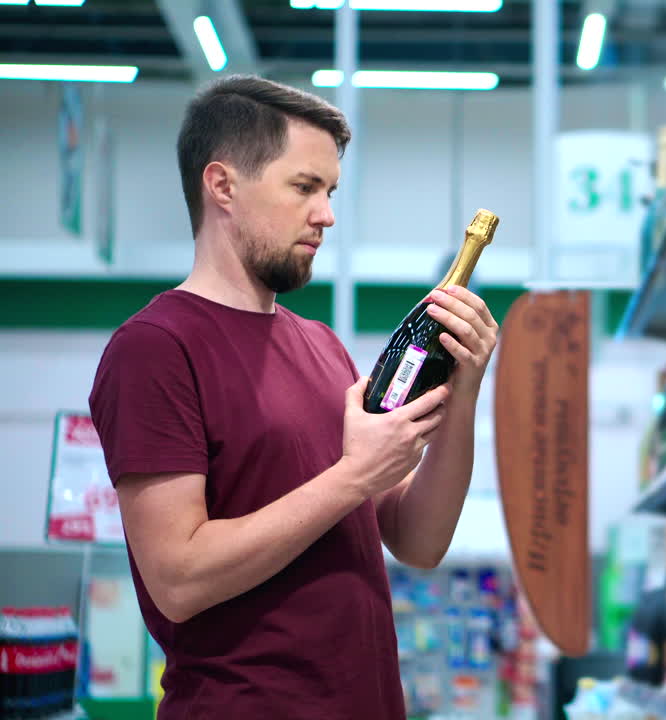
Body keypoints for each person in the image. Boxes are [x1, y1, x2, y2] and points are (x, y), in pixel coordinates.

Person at [88, 75, 499, 719]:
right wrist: (351, 477)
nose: (327, 214)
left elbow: (418, 541)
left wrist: (463, 391)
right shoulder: (155, 348)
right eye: (304, 187)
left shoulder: (323, 348)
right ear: (222, 185)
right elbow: (178, 578)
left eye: (330, 191)